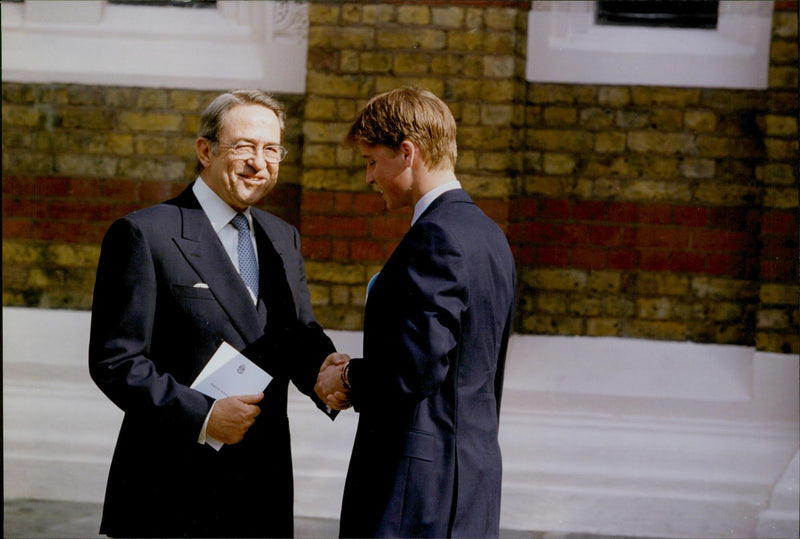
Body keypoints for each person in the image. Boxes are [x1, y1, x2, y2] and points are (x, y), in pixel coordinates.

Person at [89, 89, 344, 538]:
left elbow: (297, 333)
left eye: (271, 150)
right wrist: (204, 415)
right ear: (205, 151)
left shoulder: (282, 237)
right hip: (171, 491)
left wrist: (325, 372)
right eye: (243, 146)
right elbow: (116, 361)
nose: (258, 162)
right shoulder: (146, 234)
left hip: (260, 489)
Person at [315, 87, 517, 538]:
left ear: (407, 153)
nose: (369, 177)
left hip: (416, 494)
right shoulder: (489, 235)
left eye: (372, 161)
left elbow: (415, 369)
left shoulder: (435, 237)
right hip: (471, 481)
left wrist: (346, 378)